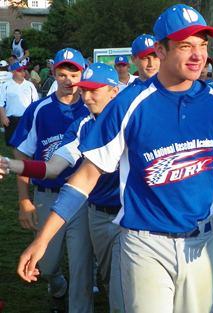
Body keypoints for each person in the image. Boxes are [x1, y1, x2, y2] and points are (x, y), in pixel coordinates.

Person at [17, 5, 213, 313]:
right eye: (185, 45)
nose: (198, 55)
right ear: (160, 50)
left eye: (203, 45)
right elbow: (85, 176)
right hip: (145, 244)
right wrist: (43, 239)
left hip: (202, 242)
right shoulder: (129, 103)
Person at [1, 63, 124, 313]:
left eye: (94, 90)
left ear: (114, 91)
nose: (86, 97)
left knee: (124, 289)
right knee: (114, 285)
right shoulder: (82, 126)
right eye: (84, 90)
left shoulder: (134, 119)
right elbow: (53, 168)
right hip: (97, 213)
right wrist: (9, 164)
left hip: (132, 218)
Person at [11, 48, 93, 313]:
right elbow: (21, 154)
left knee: (82, 265)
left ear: (83, 74)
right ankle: (57, 286)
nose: (68, 80)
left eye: (74, 73)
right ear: (54, 74)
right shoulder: (39, 109)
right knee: (46, 264)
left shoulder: (93, 108)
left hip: (82, 197)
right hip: (47, 195)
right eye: (62, 74)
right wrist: (24, 199)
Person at [0, 62, 38, 147]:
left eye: (23, 70)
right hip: (11, 119)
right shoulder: (6, 86)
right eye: (19, 71)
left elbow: (35, 102)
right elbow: (1, 102)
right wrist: (3, 117)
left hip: (26, 118)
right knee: (12, 144)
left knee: (27, 143)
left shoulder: (30, 85)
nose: (22, 73)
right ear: (13, 72)